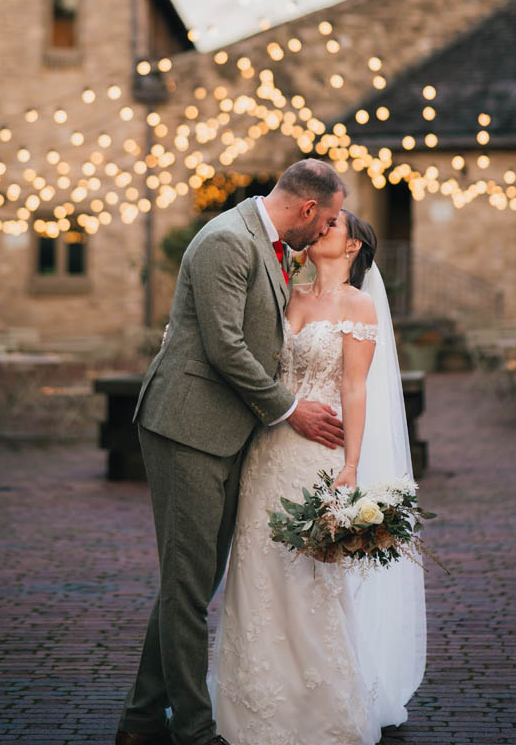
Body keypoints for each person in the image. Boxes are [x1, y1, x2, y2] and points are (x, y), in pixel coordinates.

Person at [116, 160, 348, 745]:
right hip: (187, 427)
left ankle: (141, 723)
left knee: (189, 582)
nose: (323, 234)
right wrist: (291, 407)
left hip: (224, 431)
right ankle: (193, 731)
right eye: (322, 223)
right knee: (188, 587)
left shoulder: (266, 243)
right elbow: (224, 346)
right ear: (306, 210)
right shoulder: (227, 241)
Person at [210, 210, 427, 745]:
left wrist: (351, 467)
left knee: (309, 575)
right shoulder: (285, 294)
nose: (319, 229)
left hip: (318, 451)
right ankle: (252, 700)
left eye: (332, 226)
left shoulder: (359, 306)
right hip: (264, 451)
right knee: (256, 568)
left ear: (353, 246)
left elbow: (355, 389)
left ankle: (320, 705)